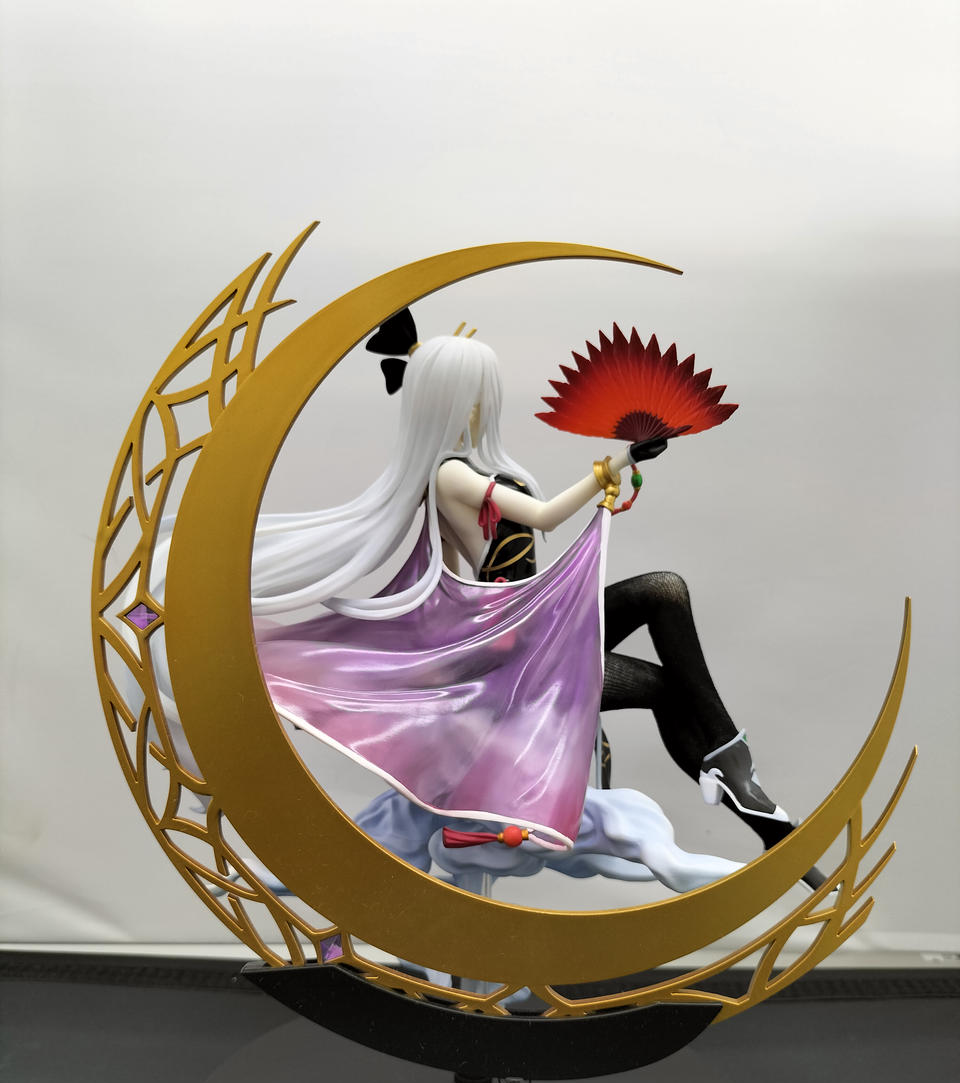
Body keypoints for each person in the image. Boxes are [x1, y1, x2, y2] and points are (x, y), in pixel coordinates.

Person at [251, 328, 810, 892]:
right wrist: (618, 462)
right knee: (664, 674)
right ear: (445, 400)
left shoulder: (466, 469)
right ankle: (745, 792)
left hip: (540, 619)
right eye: (473, 394)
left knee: (664, 595)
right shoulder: (449, 474)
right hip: (520, 642)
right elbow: (543, 518)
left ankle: (737, 779)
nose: (481, 406)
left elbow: (449, 572)